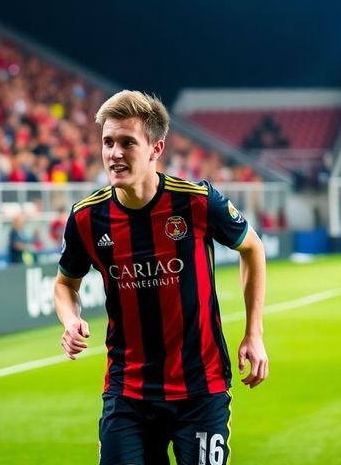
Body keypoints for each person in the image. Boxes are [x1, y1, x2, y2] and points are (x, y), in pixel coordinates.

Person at [53, 90, 269, 465]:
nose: (114, 153)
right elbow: (64, 283)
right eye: (107, 142)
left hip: (201, 389)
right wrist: (70, 320)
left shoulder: (197, 202)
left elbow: (252, 247)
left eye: (126, 142)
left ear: (156, 148)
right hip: (128, 392)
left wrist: (254, 333)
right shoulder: (87, 218)